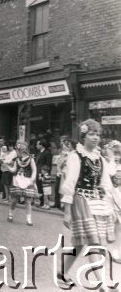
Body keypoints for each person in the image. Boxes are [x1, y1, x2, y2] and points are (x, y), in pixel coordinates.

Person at [59, 119, 115, 289]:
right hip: (80, 201)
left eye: (97, 134)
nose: (95, 137)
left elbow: (106, 183)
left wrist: (109, 204)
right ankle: (102, 284)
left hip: (96, 203)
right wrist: (67, 212)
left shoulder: (100, 159)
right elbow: (69, 184)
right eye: (91, 134)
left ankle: (61, 273)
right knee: (94, 243)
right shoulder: (75, 157)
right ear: (83, 136)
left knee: (79, 242)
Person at [7, 141, 38, 226]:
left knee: (28, 201)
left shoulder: (31, 159)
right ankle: (10, 214)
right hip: (18, 180)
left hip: (27, 180)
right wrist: (8, 167)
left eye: (24, 149)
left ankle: (29, 219)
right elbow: (14, 170)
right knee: (15, 200)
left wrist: (32, 179)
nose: (22, 151)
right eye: (21, 150)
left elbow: (34, 170)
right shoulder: (17, 160)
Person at [53, 136, 75, 209]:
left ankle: (63, 205)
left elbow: (65, 163)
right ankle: (57, 203)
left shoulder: (70, 154)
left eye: (64, 143)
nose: (62, 144)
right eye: (61, 142)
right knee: (57, 188)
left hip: (65, 173)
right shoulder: (61, 152)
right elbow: (59, 162)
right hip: (59, 172)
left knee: (64, 188)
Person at [35, 139, 52, 207]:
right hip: (38, 171)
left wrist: (45, 173)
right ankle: (41, 202)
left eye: (38, 144)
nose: (36, 145)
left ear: (41, 145)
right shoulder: (38, 152)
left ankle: (45, 203)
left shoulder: (47, 153)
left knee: (43, 188)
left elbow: (48, 164)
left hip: (43, 172)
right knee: (39, 187)